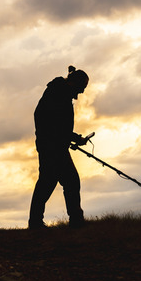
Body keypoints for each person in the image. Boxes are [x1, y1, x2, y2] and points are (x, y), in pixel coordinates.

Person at [28, 65, 90, 230]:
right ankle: (73, 221)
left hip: (54, 146)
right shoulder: (58, 93)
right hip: (51, 148)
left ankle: (37, 222)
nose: (82, 92)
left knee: (53, 182)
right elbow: (51, 123)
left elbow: (58, 126)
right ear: (74, 82)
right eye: (82, 87)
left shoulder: (59, 92)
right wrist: (72, 138)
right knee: (61, 182)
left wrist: (69, 138)